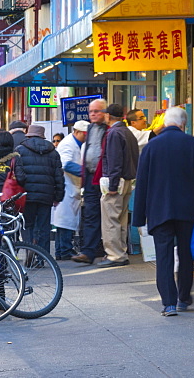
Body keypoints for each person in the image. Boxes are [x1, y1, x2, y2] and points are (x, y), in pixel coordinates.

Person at [132, 106, 194, 316]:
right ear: (183, 124)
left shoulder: (151, 146)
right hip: (186, 208)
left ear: (165, 123)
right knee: (186, 253)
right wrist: (191, 185)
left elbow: (142, 183)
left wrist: (139, 216)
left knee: (164, 255)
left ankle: (169, 303)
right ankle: (184, 297)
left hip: (159, 209)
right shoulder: (192, 143)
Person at [97, 103, 139, 267]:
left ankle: (115, 255)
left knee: (110, 220)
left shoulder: (114, 133)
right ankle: (121, 252)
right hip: (128, 181)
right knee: (121, 219)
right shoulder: (128, 132)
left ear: (108, 116)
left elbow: (114, 162)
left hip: (116, 181)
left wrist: (112, 186)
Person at [14, 124, 64, 251]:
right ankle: (43, 256)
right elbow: (59, 176)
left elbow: (18, 175)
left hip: (27, 195)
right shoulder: (53, 152)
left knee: (27, 225)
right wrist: (58, 196)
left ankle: (30, 251)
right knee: (44, 226)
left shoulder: (20, 150)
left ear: (28, 135)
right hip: (46, 195)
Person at [72, 99, 108, 264]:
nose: (93, 114)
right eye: (91, 111)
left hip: (105, 178)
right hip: (91, 178)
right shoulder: (91, 128)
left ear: (105, 112)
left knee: (109, 217)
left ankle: (110, 251)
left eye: (97, 111)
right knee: (91, 214)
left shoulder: (109, 129)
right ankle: (88, 251)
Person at [52, 121, 87, 260]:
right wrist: (85, 172)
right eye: (84, 134)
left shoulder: (75, 143)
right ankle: (65, 250)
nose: (86, 137)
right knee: (66, 221)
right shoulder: (67, 144)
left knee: (65, 221)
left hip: (71, 187)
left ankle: (62, 250)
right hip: (67, 187)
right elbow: (65, 163)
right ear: (77, 132)